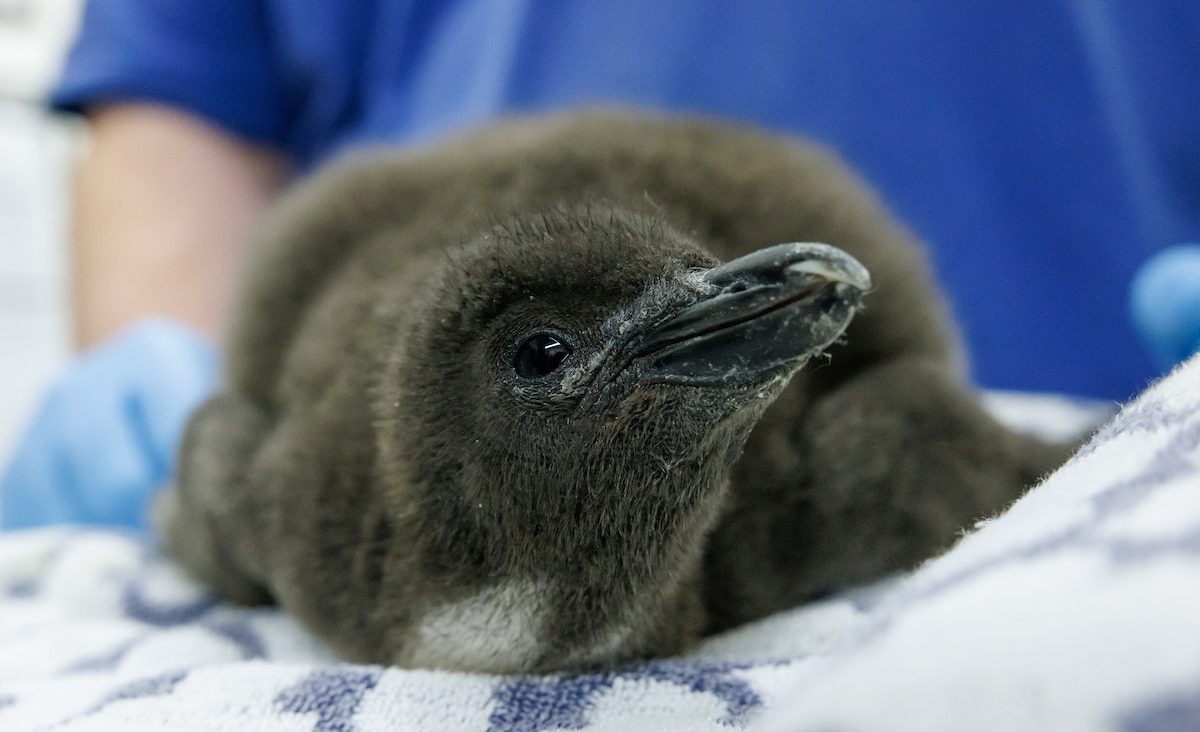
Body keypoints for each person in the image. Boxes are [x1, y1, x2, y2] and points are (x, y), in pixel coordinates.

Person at [2, 1, 1198, 529]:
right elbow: (188, 90)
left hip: (1104, 450)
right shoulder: (307, 524)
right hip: (384, 400)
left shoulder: (851, 482)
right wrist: (181, 396)